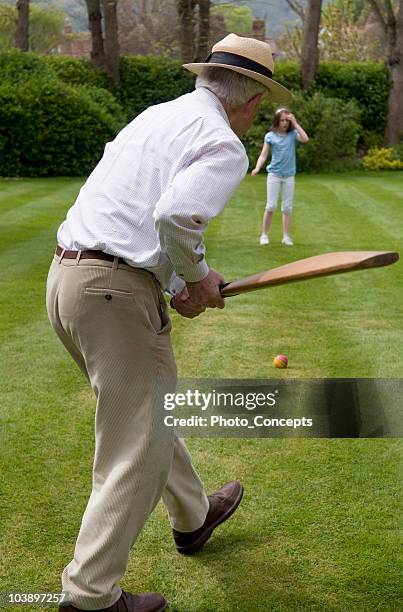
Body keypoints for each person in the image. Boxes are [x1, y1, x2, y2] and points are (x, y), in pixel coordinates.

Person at [47, 33, 291, 612]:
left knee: (148, 414)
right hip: (113, 293)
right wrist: (199, 277)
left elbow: (130, 209)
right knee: (137, 445)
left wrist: (179, 283)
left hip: (67, 282)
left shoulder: (158, 115)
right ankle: (89, 597)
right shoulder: (223, 142)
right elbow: (176, 215)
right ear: (252, 100)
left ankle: (193, 515)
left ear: (204, 79)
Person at [252, 108, 308, 246]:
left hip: (289, 176)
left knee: (287, 208)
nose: (284, 123)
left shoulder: (293, 134)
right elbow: (264, 155)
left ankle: (286, 237)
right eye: (282, 120)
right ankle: (264, 235)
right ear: (277, 121)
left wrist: (295, 123)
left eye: (287, 120)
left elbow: (305, 139)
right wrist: (257, 168)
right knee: (271, 206)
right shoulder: (270, 136)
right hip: (274, 175)